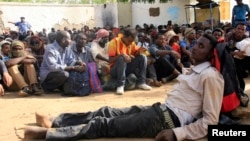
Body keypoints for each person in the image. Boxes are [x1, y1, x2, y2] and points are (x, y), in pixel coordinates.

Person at [17, 34, 225, 141]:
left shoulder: (211, 76)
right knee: (105, 111)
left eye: (201, 46)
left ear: (210, 54)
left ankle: (47, 135)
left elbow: (210, 121)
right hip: (160, 110)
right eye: (195, 43)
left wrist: (177, 134)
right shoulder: (195, 69)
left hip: (167, 120)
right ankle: (56, 121)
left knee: (104, 124)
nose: (194, 47)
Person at [108, 28, 152, 95]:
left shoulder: (132, 43)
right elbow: (110, 60)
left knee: (143, 57)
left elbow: (135, 54)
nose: (130, 43)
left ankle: (141, 82)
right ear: (124, 37)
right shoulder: (114, 42)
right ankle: (120, 85)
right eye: (129, 41)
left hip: (126, 68)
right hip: (115, 70)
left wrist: (140, 51)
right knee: (122, 58)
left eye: (132, 41)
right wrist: (122, 55)